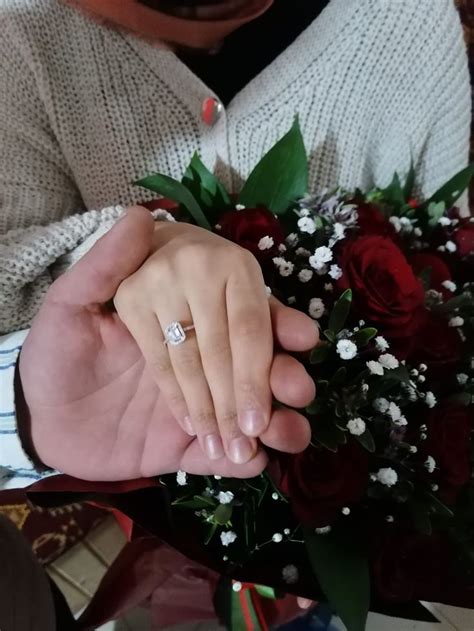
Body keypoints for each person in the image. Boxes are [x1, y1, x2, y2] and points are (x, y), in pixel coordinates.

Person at [0, 0, 470, 490]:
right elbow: (10, 275)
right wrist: (117, 262)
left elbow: (444, 255)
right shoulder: (20, 30)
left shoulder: (410, 18)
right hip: (147, 488)